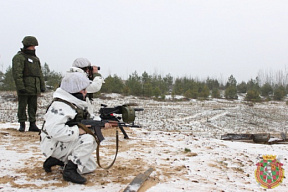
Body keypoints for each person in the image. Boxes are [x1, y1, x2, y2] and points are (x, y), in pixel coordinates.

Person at [40, 72, 111, 184]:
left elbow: (88, 118)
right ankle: (69, 171)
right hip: (53, 144)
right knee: (89, 140)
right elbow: (55, 131)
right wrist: (79, 131)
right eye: (83, 90)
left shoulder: (75, 103)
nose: (86, 92)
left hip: (61, 142)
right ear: (74, 90)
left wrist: (101, 123)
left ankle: (57, 160)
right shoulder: (61, 106)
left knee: (89, 167)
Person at [12, 36, 45, 132]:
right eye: (32, 46)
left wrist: (42, 86)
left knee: (33, 107)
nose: (34, 48)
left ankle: (32, 124)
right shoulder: (19, 57)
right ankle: (22, 124)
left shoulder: (35, 59)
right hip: (25, 87)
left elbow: (39, 73)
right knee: (22, 106)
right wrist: (20, 87)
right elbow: (17, 74)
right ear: (27, 46)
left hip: (34, 88)